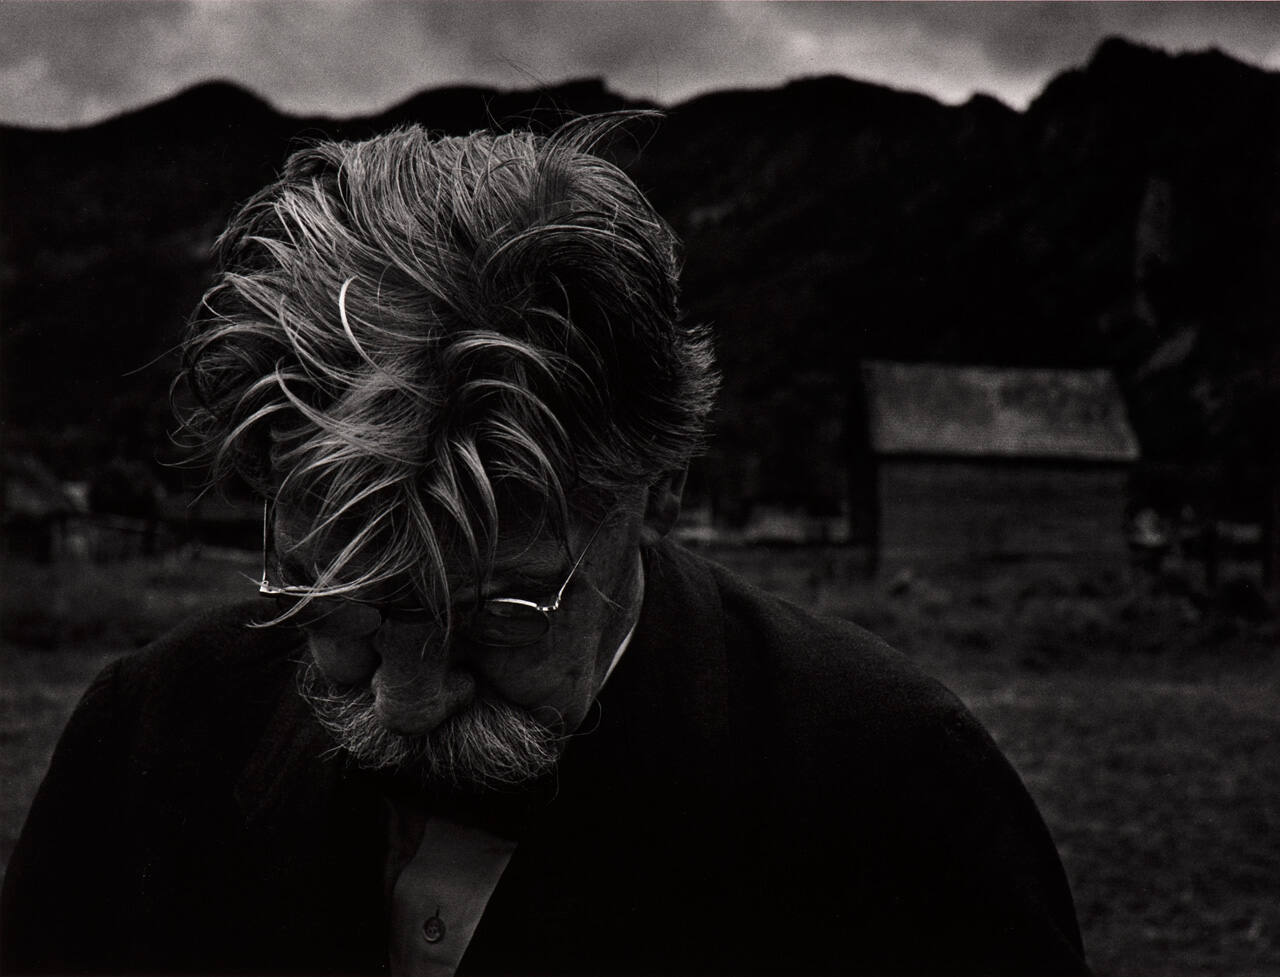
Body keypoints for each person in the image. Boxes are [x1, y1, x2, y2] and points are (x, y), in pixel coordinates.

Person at [1, 116, 1089, 976]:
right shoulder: (143, 739)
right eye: (343, 601)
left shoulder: (895, 796)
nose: (406, 698)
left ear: (657, 488)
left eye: (497, 613)